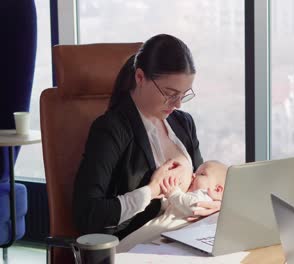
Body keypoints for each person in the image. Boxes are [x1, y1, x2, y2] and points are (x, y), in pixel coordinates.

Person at [72, 34, 221, 240]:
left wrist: (215, 204)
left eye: (183, 94)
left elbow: (202, 184)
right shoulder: (111, 129)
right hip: (138, 246)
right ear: (140, 77)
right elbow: (87, 216)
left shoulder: (183, 123)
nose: (177, 104)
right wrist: (151, 191)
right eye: (170, 93)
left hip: (186, 238)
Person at [116, 160, 228, 252]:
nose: (194, 175)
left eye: (202, 174)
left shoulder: (205, 197)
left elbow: (194, 207)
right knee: (130, 245)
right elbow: (174, 205)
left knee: (130, 247)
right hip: (158, 233)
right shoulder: (190, 196)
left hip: (161, 235)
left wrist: (173, 193)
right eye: (196, 172)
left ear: (217, 189)